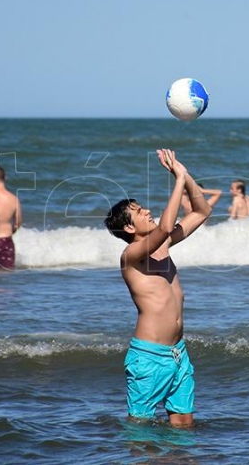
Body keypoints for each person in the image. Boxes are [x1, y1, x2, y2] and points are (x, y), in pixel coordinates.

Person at [103, 149, 212, 427]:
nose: (146, 210)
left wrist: (185, 175)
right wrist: (176, 181)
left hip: (178, 353)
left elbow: (202, 211)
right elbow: (165, 226)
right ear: (129, 228)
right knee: (140, 431)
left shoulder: (163, 245)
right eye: (139, 212)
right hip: (149, 357)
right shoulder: (130, 257)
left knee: (184, 427)